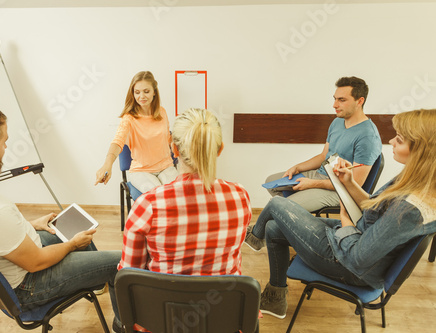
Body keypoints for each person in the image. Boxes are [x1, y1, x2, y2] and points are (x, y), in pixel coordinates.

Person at [0, 104, 124, 332]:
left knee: (74, 233)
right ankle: (122, 325)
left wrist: (30, 226)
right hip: (27, 287)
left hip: (7, 267)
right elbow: (37, 262)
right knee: (121, 262)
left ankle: (92, 281)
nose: (6, 147)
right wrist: (72, 244)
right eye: (4, 141)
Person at [258, 109, 436, 319]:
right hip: (359, 238)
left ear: (422, 150)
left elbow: (357, 259)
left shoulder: (411, 209)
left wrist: (345, 217)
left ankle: (252, 237)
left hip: (350, 266)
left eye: (399, 139)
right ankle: (275, 299)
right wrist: (348, 182)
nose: (391, 141)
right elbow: (373, 208)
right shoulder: (416, 180)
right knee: (273, 228)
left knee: (278, 203)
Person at [245, 76, 382, 251]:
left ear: (359, 101)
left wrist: (312, 184)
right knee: (273, 181)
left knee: (279, 205)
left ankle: (259, 235)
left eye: (341, 100)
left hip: (340, 190)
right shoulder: (337, 122)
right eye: (334, 99)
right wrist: (298, 167)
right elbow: (324, 155)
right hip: (323, 175)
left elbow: (355, 183)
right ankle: (283, 226)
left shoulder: (368, 136)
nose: (334, 105)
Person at [118, 108, 252, 276]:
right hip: (224, 301)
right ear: (219, 150)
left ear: (174, 150)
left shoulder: (147, 206)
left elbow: (129, 276)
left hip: (163, 301)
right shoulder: (240, 196)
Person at [95, 71, 178, 193]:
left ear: (154, 92)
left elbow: (168, 139)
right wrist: (107, 164)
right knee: (158, 196)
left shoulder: (162, 112)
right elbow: (118, 142)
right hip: (141, 171)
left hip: (166, 167)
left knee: (178, 194)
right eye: (137, 92)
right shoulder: (129, 118)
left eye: (146, 91)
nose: (141, 96)